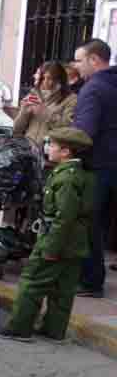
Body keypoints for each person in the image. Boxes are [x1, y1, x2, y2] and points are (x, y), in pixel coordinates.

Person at [0, 128, 94, 341]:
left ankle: (20, 328)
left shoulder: (66, 179)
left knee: (32, 282)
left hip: (57, 240)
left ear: (66, 151)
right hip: (75, 242)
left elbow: (64, 217)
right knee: (62, 288)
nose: (47, 148)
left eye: (52, 145)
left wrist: (51, 248)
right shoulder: (82, 174)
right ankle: (54, 331)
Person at [73, 38, 117, 298]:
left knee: (91, 224)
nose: (76, 66)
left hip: (98, 165)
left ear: (93, 59)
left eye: (79, 60)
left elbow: (84, 133)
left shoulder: (93, 89)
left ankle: (91, 281)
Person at [12, 61, 77, 154]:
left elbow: (68, 128)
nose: (45, 82)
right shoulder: (33, 94)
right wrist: (23, 112)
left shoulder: (71, 99)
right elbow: (16, 130)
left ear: (59, 80)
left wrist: (46, 114)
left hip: (51, 154)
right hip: (28, 150)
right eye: (42, 78)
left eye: (50, 78)